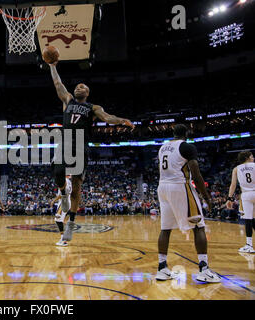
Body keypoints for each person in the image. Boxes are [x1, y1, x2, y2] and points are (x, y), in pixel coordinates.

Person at [47, 61, 134, 242]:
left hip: (80, 145)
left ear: (86, 93)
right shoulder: (67, 100)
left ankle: (70, 223)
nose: (79, 86)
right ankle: (63, 194)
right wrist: (52, 65)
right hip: (64, 142)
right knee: (58, 170)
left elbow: (108, 117)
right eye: (78, 85)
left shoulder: (93, 108)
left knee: (77, 186)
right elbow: (57, 83)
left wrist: (121, 120)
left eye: (83, 86)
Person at [155, 124, 220, 283]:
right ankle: (203, 269)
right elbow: (196, 175)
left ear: (173, 133)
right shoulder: (187, 147)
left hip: (162, 187)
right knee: (198, 225)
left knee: (165, 229)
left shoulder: (163, 148)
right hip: (180, 186)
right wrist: (206, 197)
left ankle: (162, 268)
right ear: (187, 133)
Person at [226, 151, 255, 253]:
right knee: (253, 218)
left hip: (246, 194)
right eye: (252, 156)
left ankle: (249, 245)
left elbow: (233, 185)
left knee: (248, 219)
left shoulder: (236, 169)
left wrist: (229, 198)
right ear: (247, 157)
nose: (253, 158)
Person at [50, 177, 72, 247]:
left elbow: (62, 195)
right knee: (58, 220)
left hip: (64, 202)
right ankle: (63, 238)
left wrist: (53, 200)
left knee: (58, 220)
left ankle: (64, 240)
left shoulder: (64, 181)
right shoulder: (68, 181)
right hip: (65, 201)